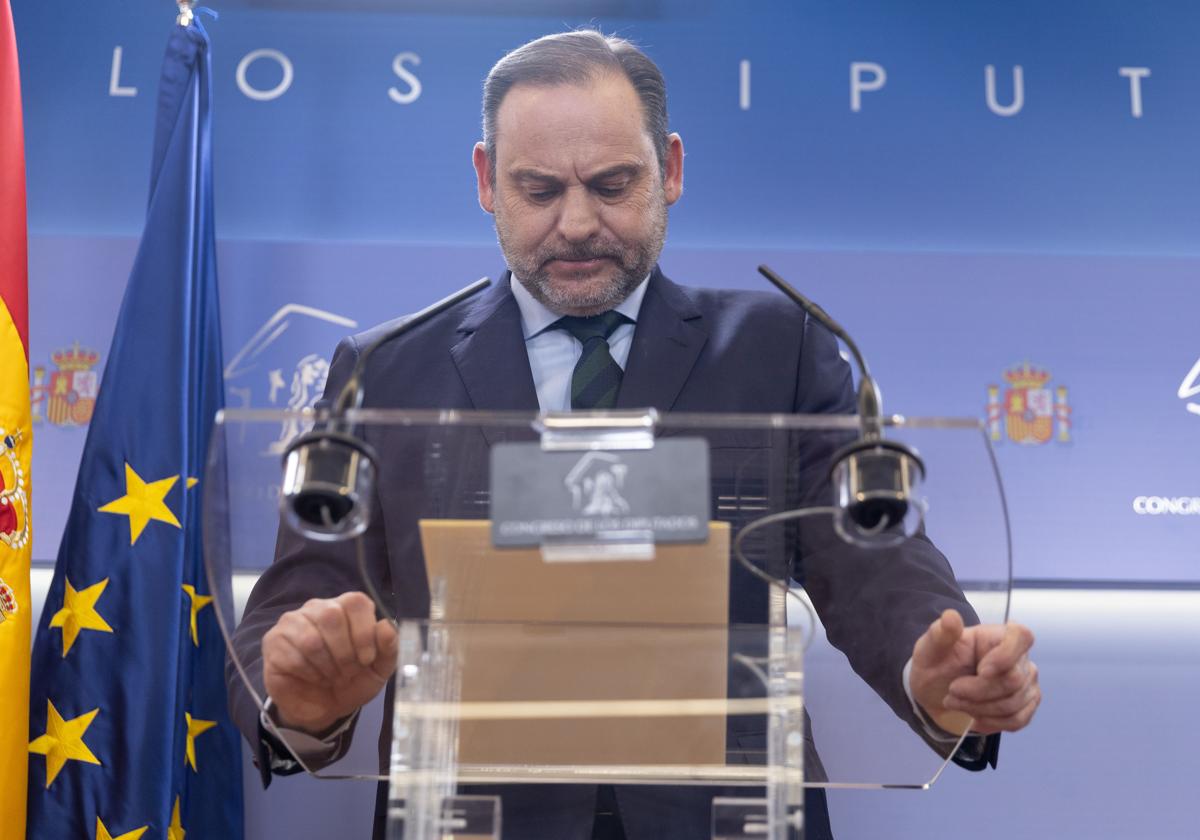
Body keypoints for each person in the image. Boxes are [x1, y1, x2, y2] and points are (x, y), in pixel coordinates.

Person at [228, 30, 1040, 840]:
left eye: (612, 184)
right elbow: (301, 595)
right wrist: (296, 696)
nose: (577, 223)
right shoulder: (384, 371)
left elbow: (874, 558)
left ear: (671, 170)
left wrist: (932, 669)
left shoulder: (777, 348)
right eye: (538, 189)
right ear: (485, 180)